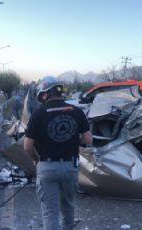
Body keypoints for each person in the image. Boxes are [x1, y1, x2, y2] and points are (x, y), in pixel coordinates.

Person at [23, 76, 92, 230]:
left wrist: (36, 159)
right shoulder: (77, 111)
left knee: (50, 211)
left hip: (47, 166)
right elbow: (88, 139)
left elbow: (27, 146)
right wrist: (73, 141)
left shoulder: (38, 114)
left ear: (44, 94)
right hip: (70, 166)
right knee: (68, 206)